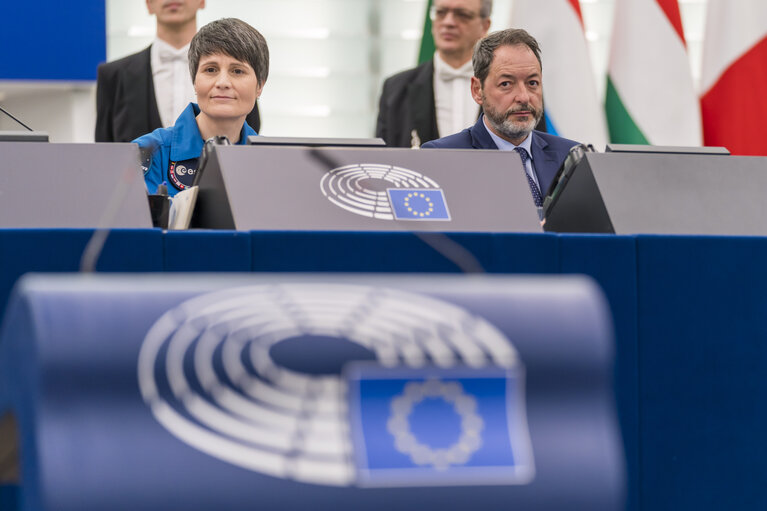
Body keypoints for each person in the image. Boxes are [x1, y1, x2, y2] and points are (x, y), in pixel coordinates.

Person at [422, 28, 579, 208]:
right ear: (477, 90)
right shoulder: (442, 158)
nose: (524, 97)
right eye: (506, 84)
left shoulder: (571, 156)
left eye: (532, 83)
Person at [134, 18, 268, 196]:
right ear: (195, 82)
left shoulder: (270, 160)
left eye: (237, 71)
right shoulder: (148, 152)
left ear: (260, 86)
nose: (222, 83)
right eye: (211, 69)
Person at [95, 0, 260, 142]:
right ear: (148, 3)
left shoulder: (239, 73)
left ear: (202, 1)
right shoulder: (113, 76)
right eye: (210, 69)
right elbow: (105, 157)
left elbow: (246, 137)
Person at [375, 0, 492, 148]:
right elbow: (382, 161)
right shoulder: (395, 89)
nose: (448, 22)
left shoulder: (508, 86)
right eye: (441, 12)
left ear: (485, 26)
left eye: (462, 15)